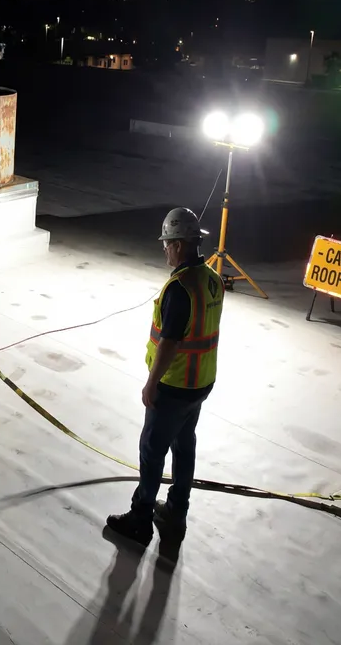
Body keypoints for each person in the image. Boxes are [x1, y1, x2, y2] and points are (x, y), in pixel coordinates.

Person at [106, 207, 224, 545]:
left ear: (179, 244)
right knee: (184, 446)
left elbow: (170, 342)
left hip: (174, 386)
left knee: (152, 451)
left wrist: (151, 383)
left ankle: (141, 518)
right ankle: (176, 509)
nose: (165, 249)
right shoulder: (212, 279)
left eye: (167, 243)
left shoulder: (180, 287)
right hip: (201, 383)